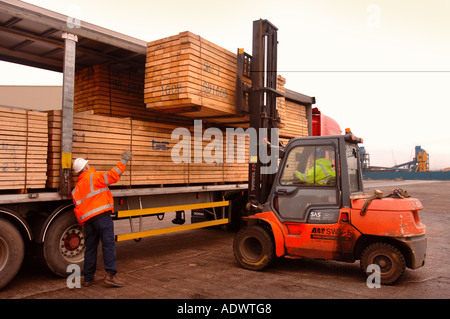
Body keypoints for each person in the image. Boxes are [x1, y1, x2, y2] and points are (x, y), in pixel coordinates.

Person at [71, 150, 132, 287]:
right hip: (102, 218)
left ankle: (88, 278)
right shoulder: (94, 176)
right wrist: (124, 161)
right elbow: (114, 175)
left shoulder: (76, 189)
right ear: (86, 167)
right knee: (108, 245)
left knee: (91, 247)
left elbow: (78, 209)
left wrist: (84, 222)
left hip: (89, 221)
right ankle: (111, 275)